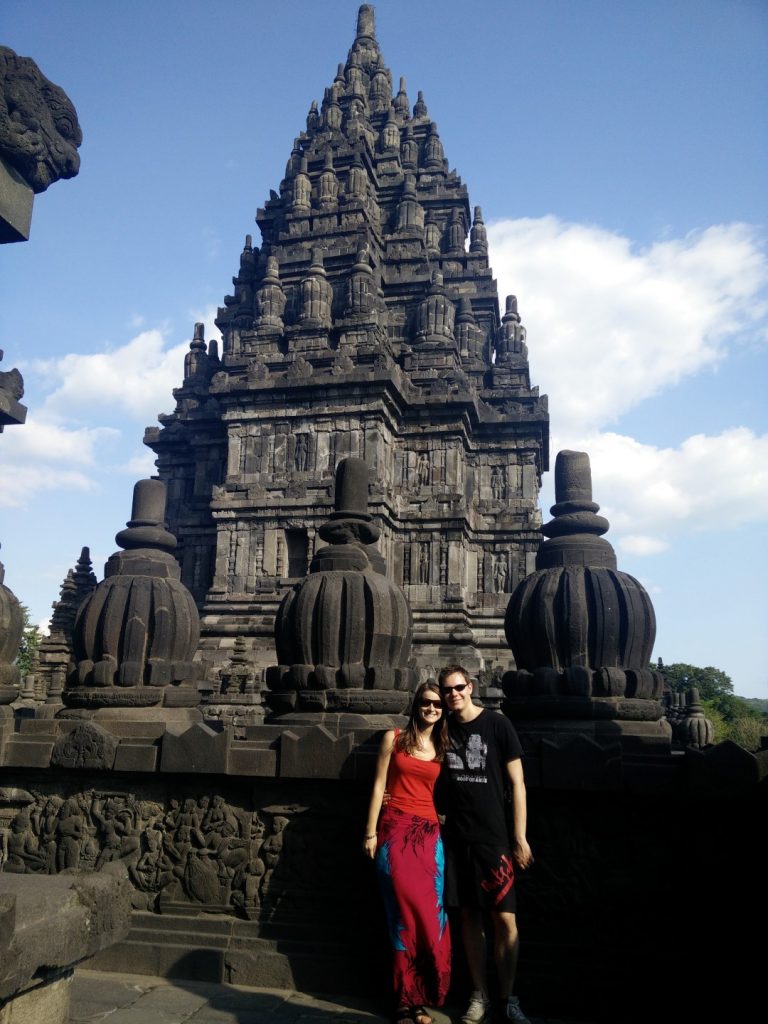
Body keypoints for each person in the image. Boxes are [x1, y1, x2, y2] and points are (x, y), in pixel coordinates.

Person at [437, 665, 533, 1024]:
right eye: (447, 690)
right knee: (468, 917)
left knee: (505, 919)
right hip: (457, 838)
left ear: (471, 687)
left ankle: (508, 998)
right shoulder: (442, 728)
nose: (453, 695)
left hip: (494, 839)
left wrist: (519, 837)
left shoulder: (497, 725)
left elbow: (517, 784)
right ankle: (480, 994)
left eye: (458, 687)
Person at [364, 682, 452, 1024]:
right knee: (402, 915)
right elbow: (378, 786)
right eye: (426, 703)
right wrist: (370, 832)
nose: (431, 709)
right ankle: (403, 1001)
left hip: (430, 837)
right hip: (395, 832)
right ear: (416, 705)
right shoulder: (395, 738)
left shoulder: (444, 746)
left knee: (430, 917)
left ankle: (421, 997)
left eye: (437, 705)